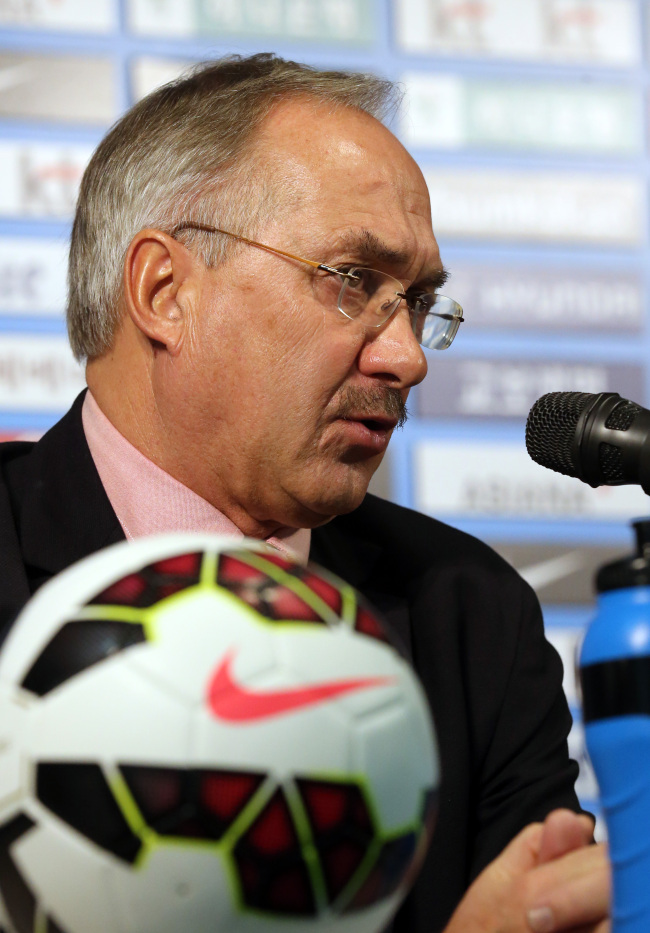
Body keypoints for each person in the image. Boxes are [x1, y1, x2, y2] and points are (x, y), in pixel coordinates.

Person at [0, 54, 609, 932]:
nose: (408, 357)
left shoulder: (469, 615)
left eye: (420, 301)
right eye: (353, 280)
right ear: (164, 292)